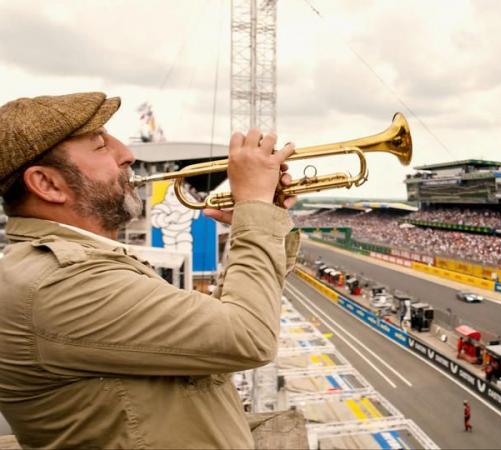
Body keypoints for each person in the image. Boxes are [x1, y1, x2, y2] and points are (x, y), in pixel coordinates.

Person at [0, 92, 300, 448]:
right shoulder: (58, 282)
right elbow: (248, 336)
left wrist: (261, 217)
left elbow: (213, 345)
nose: (127, 154)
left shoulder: (82, 266)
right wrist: (254, 208)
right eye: (100, 146)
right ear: (47, 184)